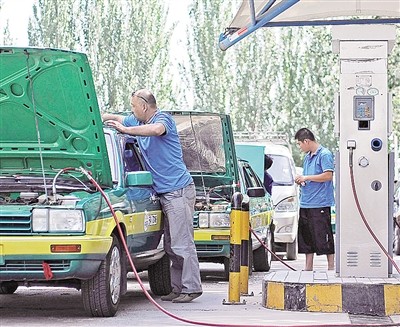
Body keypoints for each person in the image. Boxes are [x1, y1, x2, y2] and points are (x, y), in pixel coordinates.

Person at [103, 89, 202, 303]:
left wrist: (127, 129)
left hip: (178, 190)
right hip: (164, 192)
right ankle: (178, 288)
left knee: (181, 242)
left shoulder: (162, 119)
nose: (131, 111)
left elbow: (157, 130)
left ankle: (191, 288)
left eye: (133, 106)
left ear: (145, 106)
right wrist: (105, 117)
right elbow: (120, 118)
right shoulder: (138, 119)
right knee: (170, 245)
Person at [294, 128, 335, 271]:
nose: (299, 147)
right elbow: (309, 176)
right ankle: (308, 267)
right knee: (306, 237)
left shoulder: (324, 154)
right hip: (306, 202)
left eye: (299, 144)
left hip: (320, 203)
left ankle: (331, 267)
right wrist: (302, 180)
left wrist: (307, 177)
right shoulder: (308, 157)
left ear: (307, 141)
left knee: (323, 235)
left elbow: (328, 176)